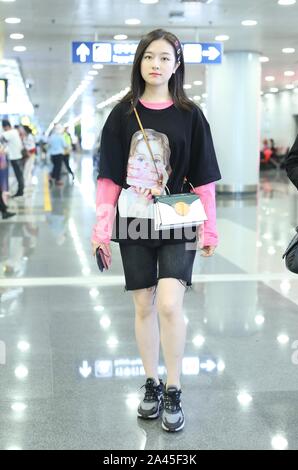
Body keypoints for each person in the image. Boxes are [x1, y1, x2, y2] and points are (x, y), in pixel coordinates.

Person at [91, 29, 221, 433]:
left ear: (176, 65)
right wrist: (101, 228)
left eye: (165, 58)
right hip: (133, 218)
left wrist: (210, 228)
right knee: (143, 304)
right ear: (139, 63)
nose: (156, 64)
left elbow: (204, 177)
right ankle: (150, 381)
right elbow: (109, 177)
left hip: (178, 214)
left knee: (168, 303)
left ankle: (174, 386)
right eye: (150, 57)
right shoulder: (122, 114)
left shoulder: (190, 114)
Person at [1, 119, 24, 197]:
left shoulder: (10, 133)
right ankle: (20, 191)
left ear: (6, 126)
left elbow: (2, 137)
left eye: (4, 128)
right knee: (19, 175)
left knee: (18, 175)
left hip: (15, 157)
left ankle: (20, 192)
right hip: (17, 156)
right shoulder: (14, 132)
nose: (4, 129)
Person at [22, 125, 37, 190]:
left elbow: (33, 147)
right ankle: (27, 182)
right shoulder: (25, 137)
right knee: (27, 168)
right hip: (26, 154)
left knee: (28, 168)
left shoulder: (30, 137)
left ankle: (27, 183)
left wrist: (29, 153)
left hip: (31, 154)